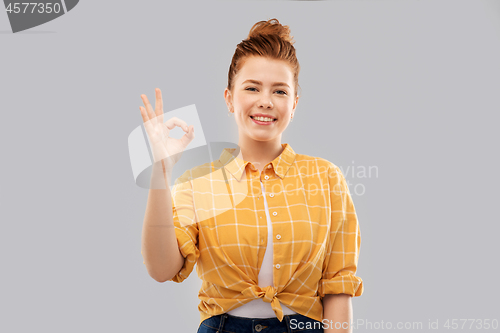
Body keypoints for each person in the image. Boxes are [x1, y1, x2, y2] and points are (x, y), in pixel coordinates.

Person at [139, 18, 363, 333]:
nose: (265, 101)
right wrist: (161, 173)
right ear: (230, 98)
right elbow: (162, 269)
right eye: (252, 87)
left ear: (294, 103)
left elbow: (338, 284)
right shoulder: (199, 183)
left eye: (280, 91)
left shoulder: (326, 178)